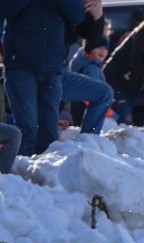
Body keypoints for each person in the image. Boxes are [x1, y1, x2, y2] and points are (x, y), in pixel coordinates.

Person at [1, 0, 104, 156]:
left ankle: (43, 174)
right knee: (28, 127)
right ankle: (22, 174)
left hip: (52, 68)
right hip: (20, 67)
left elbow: (76, 17)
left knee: (48, 132)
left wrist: (98, 16)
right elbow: (6, 8)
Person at [0, 41, 21, 174]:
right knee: (13, 134)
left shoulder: (2, 80)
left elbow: (8, 110)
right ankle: (3, 175)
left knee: (15, 130)